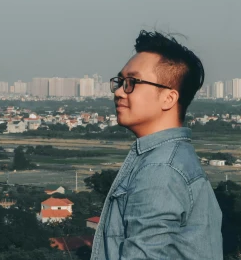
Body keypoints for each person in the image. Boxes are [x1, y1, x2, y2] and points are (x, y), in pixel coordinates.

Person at [90, 30, 223, 260]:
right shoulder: (172, 158)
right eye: (120, 81)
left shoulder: (160, 169)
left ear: (168, 99)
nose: (119, 92)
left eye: (132, 82)